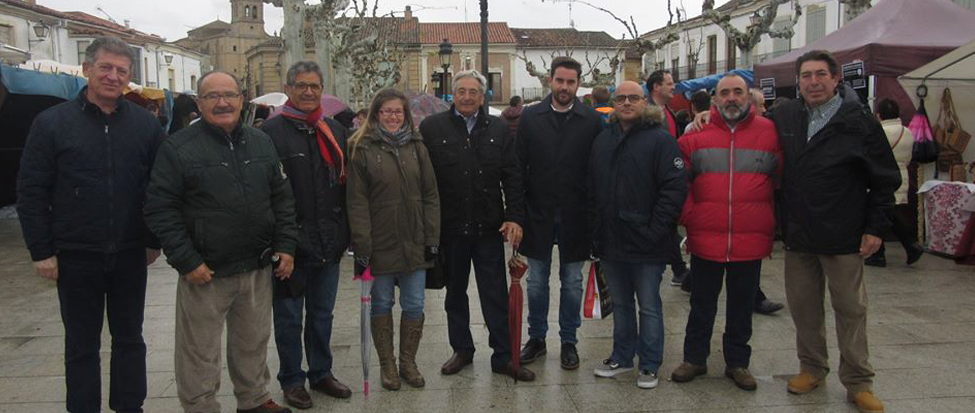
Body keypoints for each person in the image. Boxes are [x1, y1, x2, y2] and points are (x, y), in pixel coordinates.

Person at [17, 36, 164, 413]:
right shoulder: (52, 123)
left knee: (130, 339)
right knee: (81, 344)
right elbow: (32, 190)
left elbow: (158, 187)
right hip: (75, 254)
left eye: (122, 70)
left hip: (130, 252)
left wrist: (152, 239)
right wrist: (41, 250)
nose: (113, 76)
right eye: (105, 68)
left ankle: (130, 406)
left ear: (129, 76)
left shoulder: (145, 126)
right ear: (87, 69)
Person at [145, 70, 298, 413]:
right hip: (205, 271)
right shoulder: (178, 148)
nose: (222, 102)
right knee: (199, 350)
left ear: (241, 100)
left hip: (256, 265)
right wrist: (187, 260)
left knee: (253, 341)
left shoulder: (261, 142)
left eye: (229, 95)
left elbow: (282, 198)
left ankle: (254, 400)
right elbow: (160, 208)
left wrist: (286, 246)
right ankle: (201, 406)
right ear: (199, 103)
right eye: (212, 96)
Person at [772, 50, 899, 413]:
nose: (813, 82)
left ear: (835, 78)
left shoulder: (858, 120)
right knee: (804, 308)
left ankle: (859, 382)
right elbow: (749, 124)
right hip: (799, 234)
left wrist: (875, 228)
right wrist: (706, 116)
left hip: (844, 234)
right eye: (806, 76)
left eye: (820, 75)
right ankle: (812, 368)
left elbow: (885, 179)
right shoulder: (786, 115)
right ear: (798, 81)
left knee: (850, 309)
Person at [419, 70, 535, 381]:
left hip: (488, 228)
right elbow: (423, 180)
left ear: (483, 97)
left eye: (474, 92)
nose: (467, 97)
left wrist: (514, 216)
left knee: (494, 294)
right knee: (455, 293)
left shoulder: (499, 128)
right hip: (450, 229)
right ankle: (462, 349)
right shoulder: (432, 128)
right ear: (452, 95)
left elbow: (512, 176)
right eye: (462, 91)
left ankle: (503, 355)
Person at [670, 74, 782, 392]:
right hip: (706, 235)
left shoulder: (770, 132)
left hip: (750, 237)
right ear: (715, 99)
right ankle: (694, 358)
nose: (731, 98)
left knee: (742, 306)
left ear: (748, 97)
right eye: (725, 93)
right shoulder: (696, 135)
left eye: (737, 92)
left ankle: (737, 362)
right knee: (701, 303)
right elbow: (679, 183)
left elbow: (781, 178)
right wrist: (689, 216)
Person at [260, 61, 353, 409]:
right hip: (290, 246)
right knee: (288, 317)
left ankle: (321, 372)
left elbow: (344, 186)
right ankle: (292, 379)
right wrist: (280, 243)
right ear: (289, 88)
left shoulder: (333, 129)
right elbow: (266, 194)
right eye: (301, 85)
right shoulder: (270, 133)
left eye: (314, 86)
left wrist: (345, 233)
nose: (309, 92)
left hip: (329, 241)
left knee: (322, 314)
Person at [589, 81, 687, 389]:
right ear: (614, 103)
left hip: (647, 240)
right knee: (620, 304)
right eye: (621, 98)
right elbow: (592, 186)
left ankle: (649, 363)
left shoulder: (661, 140)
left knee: (649, 305)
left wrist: (655, 230)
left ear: (645, 102)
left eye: (633, 98)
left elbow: (674, 189)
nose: (627, 103)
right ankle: (622, 356)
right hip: (611, 239)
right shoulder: (603, 139)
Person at [346, 87, 440, 391]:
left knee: (414, 304)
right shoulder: (361, 148)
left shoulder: (417, 146)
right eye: (387, 111)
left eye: (398, 111)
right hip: (380, 243)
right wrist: (363, 246)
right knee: (382, 304)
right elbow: (357, 203)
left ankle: (407, 363)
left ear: (405, 115)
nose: (393, 116)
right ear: (376, 114)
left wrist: (432, 236)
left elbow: (430, 195)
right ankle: (387, 365)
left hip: (414, 239)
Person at [517, 56, 603, 370]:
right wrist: (516, 214)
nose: (564, 87)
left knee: (572, 282)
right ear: (550, 81)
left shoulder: (592, 120)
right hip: (537, 213)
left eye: (570, 82)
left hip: (576, 215)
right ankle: (537, 338)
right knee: (536, 282)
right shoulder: (530, 117)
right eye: (560, 80)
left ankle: (569, 341)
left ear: (578, 84)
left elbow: (598, 169)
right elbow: (518, 167)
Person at [864, 99, 925, 267]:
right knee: (892, 213)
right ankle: (910, 246)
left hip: (882, 178)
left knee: (879, 214)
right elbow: (909, 157)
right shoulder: (907, 132)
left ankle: (881, 254)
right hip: (902, 175)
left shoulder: (879, 132)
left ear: (879, 114)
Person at [646, 69, 690, 286]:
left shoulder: (668, 112)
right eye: (669, 83)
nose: (674, 87)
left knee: (670, 226)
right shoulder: (646, 114)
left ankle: (678, 270)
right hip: (654, 184)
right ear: (656, 87)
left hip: (670, 179)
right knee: (666, 225)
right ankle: (677, 270)